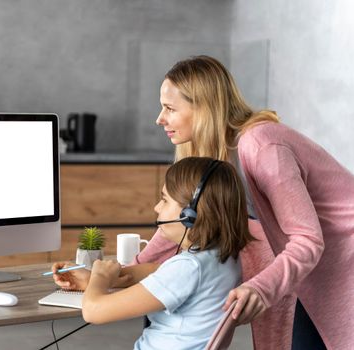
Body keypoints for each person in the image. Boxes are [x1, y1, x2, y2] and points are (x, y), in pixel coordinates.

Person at [135, 55, 354, 349]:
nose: (160, 118)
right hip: (317, 270)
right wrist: (128, 271)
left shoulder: (263, 146)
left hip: (344, 262)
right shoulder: (214, 156)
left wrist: (261, 288)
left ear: (203, 108)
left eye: (170, 108)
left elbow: (307, 240)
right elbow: (182, 216)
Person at [52, 157, 255, 350]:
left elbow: (93, 312)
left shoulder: (188, 268)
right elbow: (159, 271)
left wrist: (100, 276)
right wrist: (103, 279)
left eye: (164, 200)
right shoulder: (223, 258)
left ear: (190, 216)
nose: (156, 207)